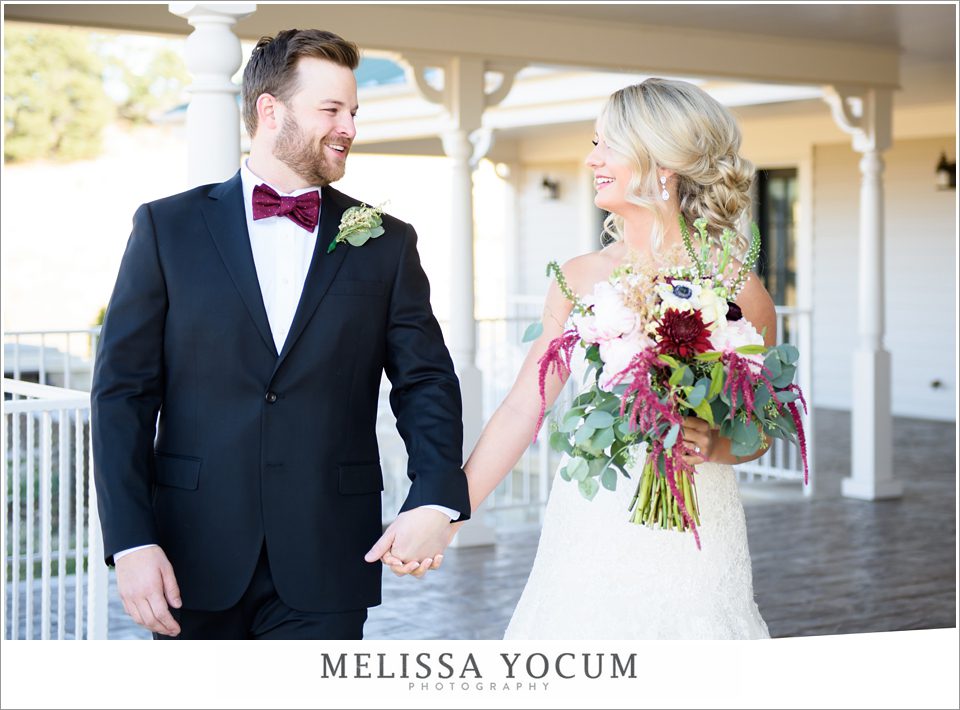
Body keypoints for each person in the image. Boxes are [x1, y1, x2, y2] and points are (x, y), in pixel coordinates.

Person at [91, 28, 469, 641]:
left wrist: (435, 499)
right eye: (331, 109)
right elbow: (122, 395)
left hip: (329, 554)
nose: (349, 126)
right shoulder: (167, 228)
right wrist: (131, 540)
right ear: (270, 110)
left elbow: (425, 381)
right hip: (192, 554)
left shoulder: (386, 242)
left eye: (353, 111)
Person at [388, 78, 776, 639]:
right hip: (592, 521)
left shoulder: (738, 288)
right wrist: (447, 512)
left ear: (662, 163)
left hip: (697, 525)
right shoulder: (580, 277)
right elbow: (525, 407)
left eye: (607, 145)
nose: (592, 159)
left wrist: (715, 444)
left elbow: (759, 428)